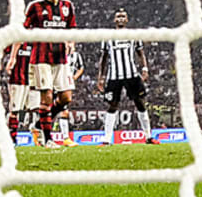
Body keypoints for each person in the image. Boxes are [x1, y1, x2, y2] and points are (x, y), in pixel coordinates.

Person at [23, 0, 77, 147]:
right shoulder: (35, 6)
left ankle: (39, 125)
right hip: (41, 58)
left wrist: (71, 43)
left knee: (66, 97)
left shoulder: (67, 6)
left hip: (61, 58)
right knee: (46, 97)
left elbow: (71, 28)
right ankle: (48, 139)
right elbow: (24, 28)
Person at [96, 8, 155, 144]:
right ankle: (107, 139)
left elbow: (140, 53)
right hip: (114, 76)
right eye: (118, 16)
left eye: (123, 16)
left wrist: (145, 68)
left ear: (127, 20)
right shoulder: (108, 37)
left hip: (132, 75)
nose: (121, 19)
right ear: (114, 20)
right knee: (113, 105)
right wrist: (101, 77)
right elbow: (103, 58)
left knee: (140, 103)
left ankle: (148, 136)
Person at [3, 42, 39, 146]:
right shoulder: (13, 41)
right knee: (15, 111)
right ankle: (12, 138)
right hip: (17, 79)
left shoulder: (35, 42)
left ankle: (38, 135)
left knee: (37, 108)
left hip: (32, 80)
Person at [57, 48, 85, 145]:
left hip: (67, 85)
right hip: (56, 84)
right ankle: (38, 129)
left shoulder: (76, 56)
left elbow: (81, 67)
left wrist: (75, 77)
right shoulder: (59, 53)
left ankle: (65, 138)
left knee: (63, 111)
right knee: (55, 109)